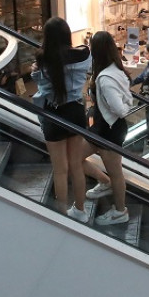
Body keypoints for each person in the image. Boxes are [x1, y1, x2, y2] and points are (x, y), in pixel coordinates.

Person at [31, 16, 92, 219]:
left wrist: (35, 73)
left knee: (59, 169)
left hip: (53, 115)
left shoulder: (43, 59)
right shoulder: (83, 55)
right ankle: (81, 210)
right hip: (75, 112)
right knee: (76, 164)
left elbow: (39, 82)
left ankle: (62, 213)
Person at [85, 30, 133, 226]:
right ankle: (105, 182)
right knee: (73, 156)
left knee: (116, 172)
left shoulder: (105, 78)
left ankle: (120, 211)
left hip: (109, 130)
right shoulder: (115, 70)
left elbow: (121, 109)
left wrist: (119, 106)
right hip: (102, 127)